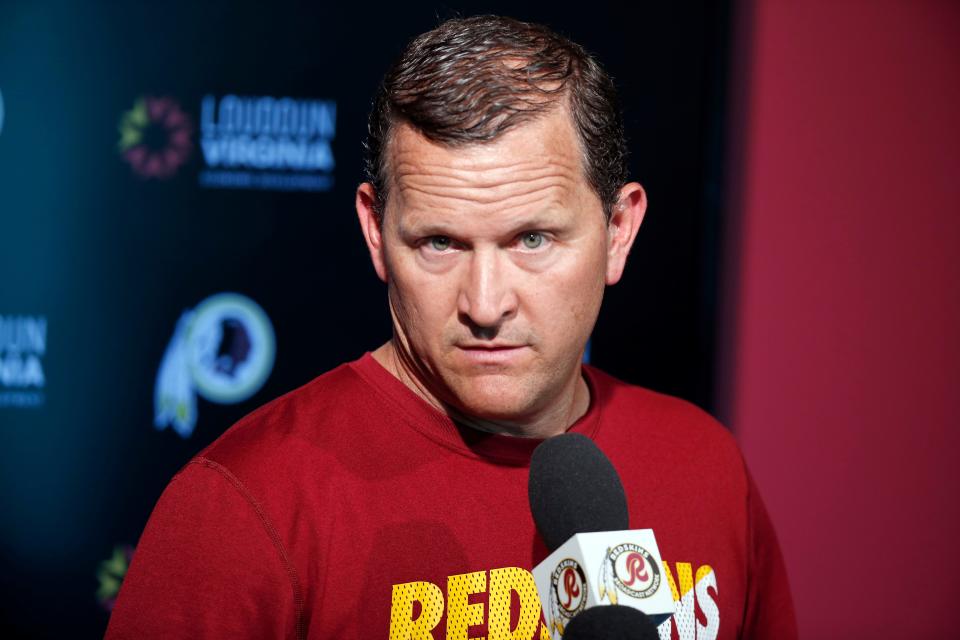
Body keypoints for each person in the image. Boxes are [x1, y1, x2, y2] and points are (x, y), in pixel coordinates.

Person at [106, 15, 797, 640]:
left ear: (618, 232)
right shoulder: (243, 508)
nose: (486, 303)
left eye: (532, 240)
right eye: (439, 243)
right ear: (376, 233)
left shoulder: (705, 464)